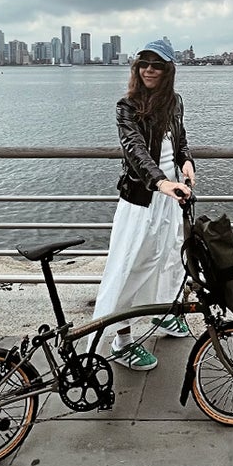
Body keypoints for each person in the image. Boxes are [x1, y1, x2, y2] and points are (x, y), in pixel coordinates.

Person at [91, 38, 196, 371]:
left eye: (157, 65)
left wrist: (187, 162)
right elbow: (134, 151)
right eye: (144, 64)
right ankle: (120, 341)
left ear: (168, 70)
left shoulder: (174, 102)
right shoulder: (127, 106)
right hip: (142, 199)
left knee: (168, 260)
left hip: (171, 197)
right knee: (130, 266)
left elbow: (179, 141)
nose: (150, 70)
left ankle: (162, 316)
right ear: (137, 68)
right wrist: (162, 182)